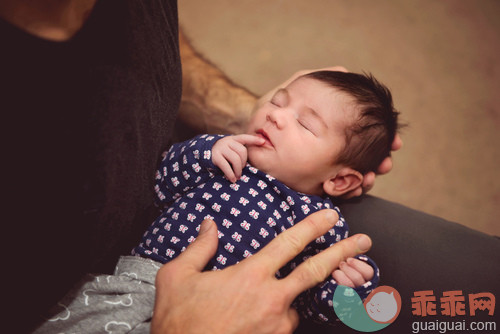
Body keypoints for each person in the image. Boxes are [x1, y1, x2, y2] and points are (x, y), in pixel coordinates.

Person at [1, 1, 398, 333]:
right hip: (136, 279)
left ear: (340, 179)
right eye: (278, 101)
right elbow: (156, 185)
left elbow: (308, 294)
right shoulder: (225, 156)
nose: (276, 116)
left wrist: (350, 289)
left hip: (238, 313)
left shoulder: (320, 220)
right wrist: (203, 152)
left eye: (306, 123)